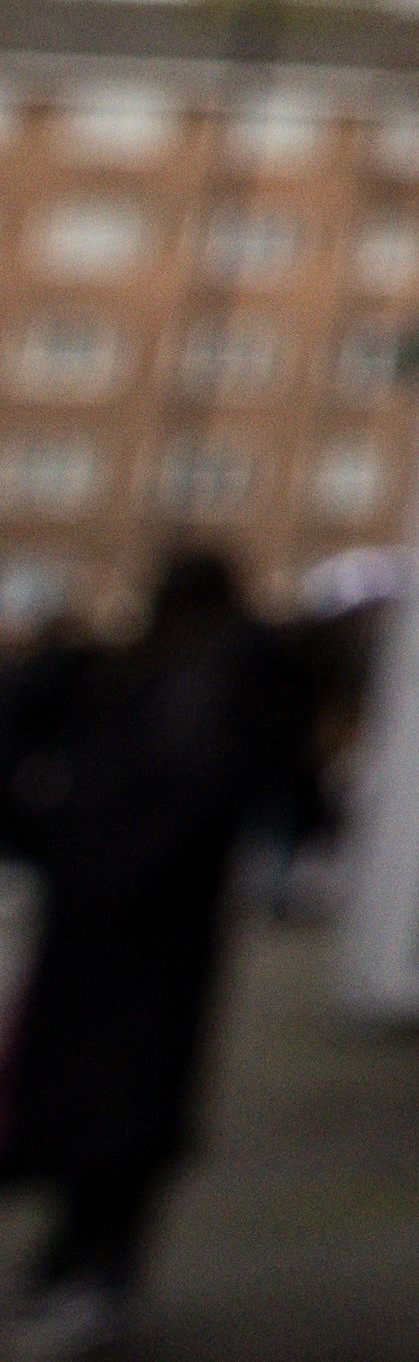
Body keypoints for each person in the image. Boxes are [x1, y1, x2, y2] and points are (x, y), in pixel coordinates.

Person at [0, 551, 321, 1354]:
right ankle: (86, 1272)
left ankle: (79, 1273)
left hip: (110, 919)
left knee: (96, 1108)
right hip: (150, 928)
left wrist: (52, 836)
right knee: (118, 1114)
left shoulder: (147, 677)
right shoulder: (225, 674)